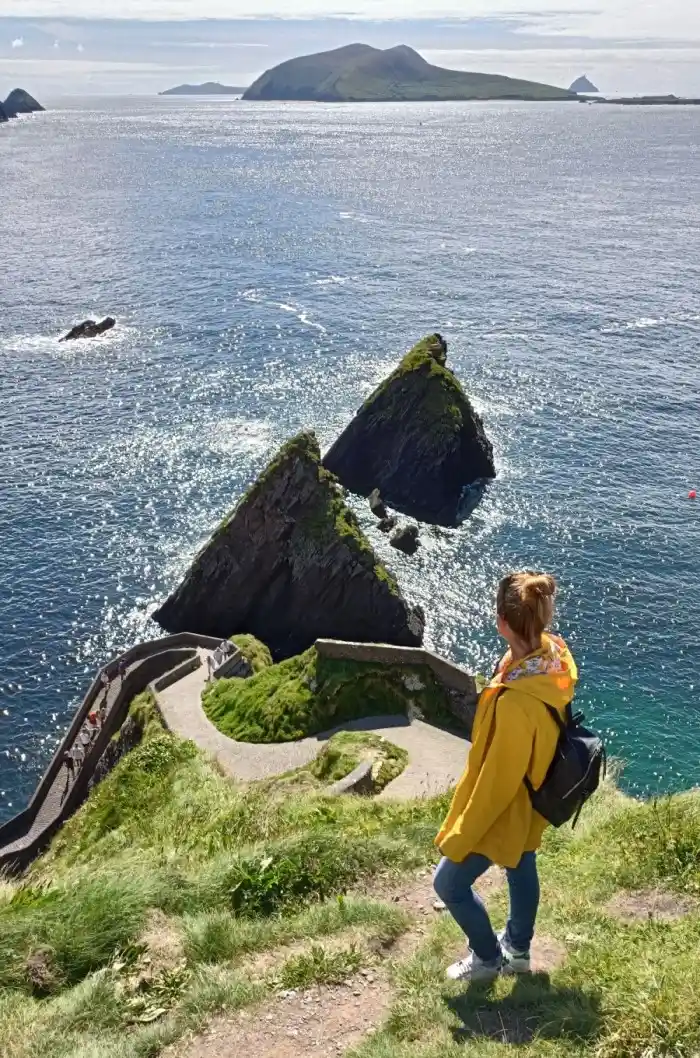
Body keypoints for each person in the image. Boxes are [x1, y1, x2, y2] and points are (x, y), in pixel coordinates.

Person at [433, 571, 578, 983]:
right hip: (538, 791)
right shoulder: (552, 658)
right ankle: (518, 949)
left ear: (502, 623)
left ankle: (487, 958)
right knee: (522, 862)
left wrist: (460, 835)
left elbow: (497, 785)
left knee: (448, 884)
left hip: (512, 803)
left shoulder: (517, 701)